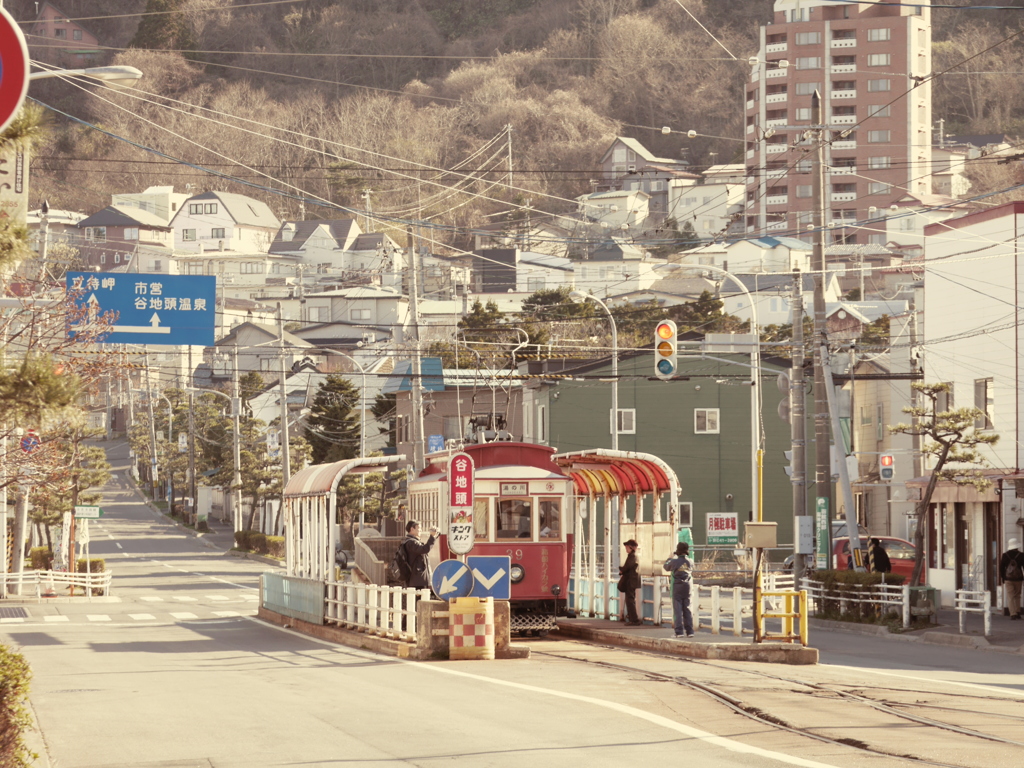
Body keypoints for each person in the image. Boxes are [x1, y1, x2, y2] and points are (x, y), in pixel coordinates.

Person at [664, 542, 694, 638]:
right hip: (688, 587)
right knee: (687, 609)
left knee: (677, 609)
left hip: (677, 587)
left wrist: (669, 558)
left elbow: (666, 566)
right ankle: (690, 631)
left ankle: (679, 632)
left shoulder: (674, 562)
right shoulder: (690, 561)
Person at [401, 520, 438, 589]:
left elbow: (424, 549)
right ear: (412, 529)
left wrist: (434, 536)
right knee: (419, 598)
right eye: (419, 528)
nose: (421, 530)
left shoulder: (412, 541)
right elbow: (425, 549)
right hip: (416, 580)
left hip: (417, 579)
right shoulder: (411, 543)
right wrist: (432, 537)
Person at [617, 539, 642, 626]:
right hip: (631, 581)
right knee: (630, 600)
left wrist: (621, 570)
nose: (626, 549)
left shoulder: (632, 556)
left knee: (629, 600)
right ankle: (632, 618)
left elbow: (628, 566)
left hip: (631, 581)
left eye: (627, 547)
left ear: (631, 547)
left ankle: (634, 620)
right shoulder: (632, 556)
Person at [999, 538, 1024, 620]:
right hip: (1018, 579)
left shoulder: (1005, 555)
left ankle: (1012, 614)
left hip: (1008, 579)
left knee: (1010, 596)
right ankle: (1017, 612)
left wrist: (1003, 578)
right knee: (1017, 595)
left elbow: (1002, 568)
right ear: (1017, 546)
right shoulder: (1021, 555)